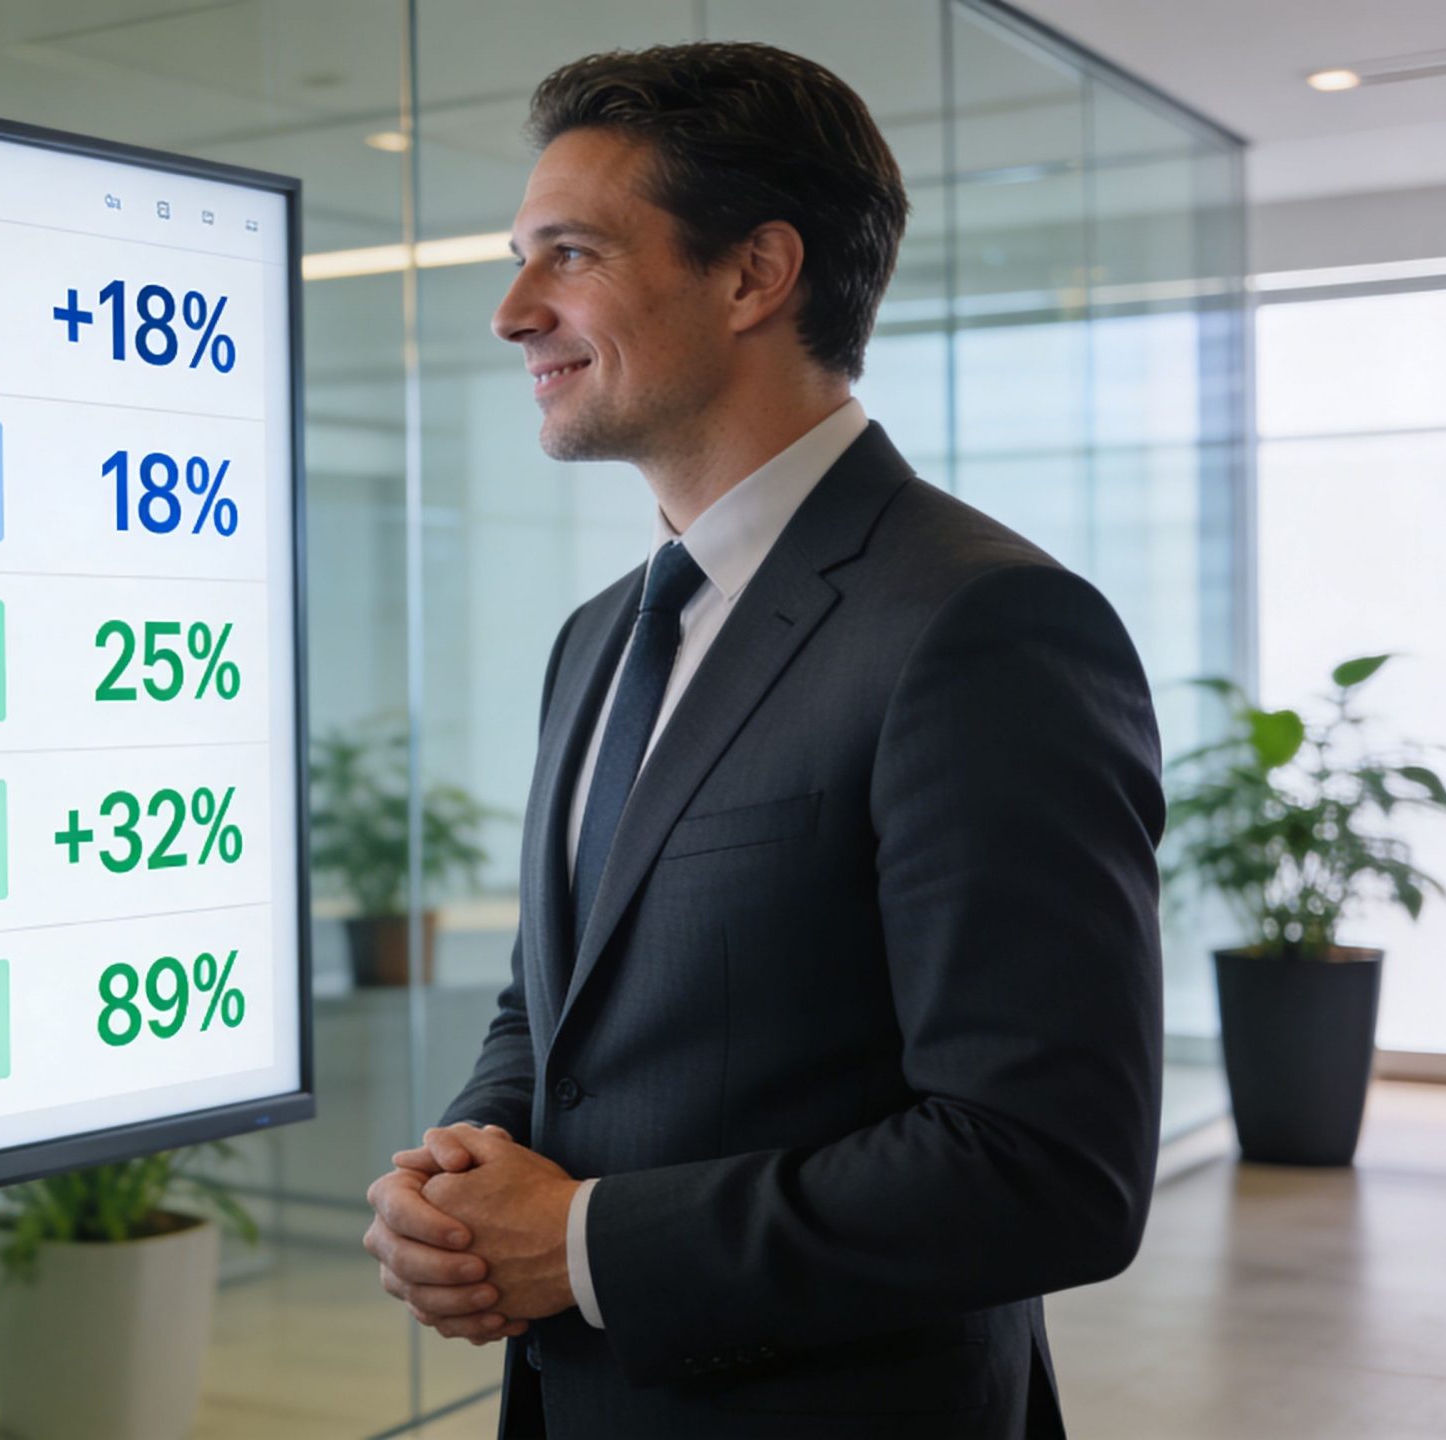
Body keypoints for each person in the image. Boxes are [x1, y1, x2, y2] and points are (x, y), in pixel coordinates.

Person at [359, 43, 1164, 1439]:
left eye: (569, 254)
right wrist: (459, 1178)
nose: (510, 311)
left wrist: (589, 1242)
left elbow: (1047, 1168)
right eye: (517, 255)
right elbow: (560, 1007)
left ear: (753, 275)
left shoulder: (986, 626)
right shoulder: (600, 636)